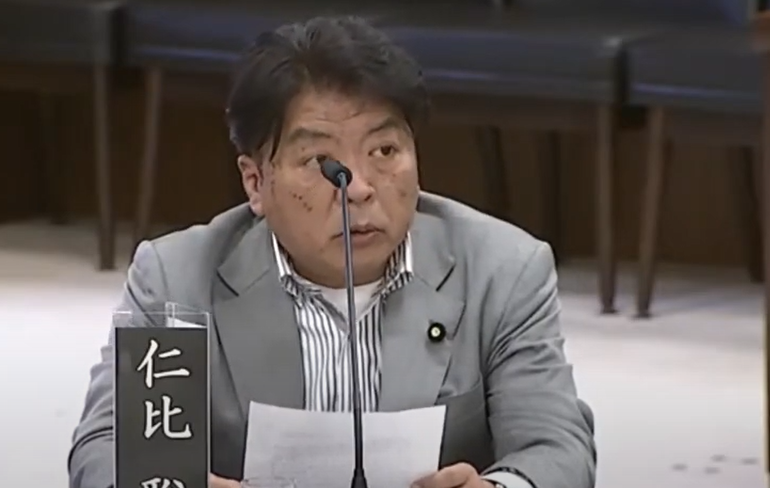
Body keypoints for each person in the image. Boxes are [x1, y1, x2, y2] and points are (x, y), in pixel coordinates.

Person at [68, 15, 596, 488]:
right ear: (256, 182)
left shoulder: (502, 270)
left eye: (385, 150)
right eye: (320, 162)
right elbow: (108, 450)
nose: (359, 187)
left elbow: (556, 448)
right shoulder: (178, 279)